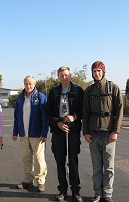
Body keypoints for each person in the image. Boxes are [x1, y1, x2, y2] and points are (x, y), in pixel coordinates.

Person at [83, 61, 123, 202]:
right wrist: (86, 132)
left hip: (108, 134)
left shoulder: (113, 88)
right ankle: (98, 193)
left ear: (103, 72)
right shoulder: (89, 91)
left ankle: (107, 194)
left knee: (109, 167)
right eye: (94, 71)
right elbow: (85, 113)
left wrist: (115, 131)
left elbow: (119, 111)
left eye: (99, 71)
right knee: (96, 167)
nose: (97, 73)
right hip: (93, 134)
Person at [45, 66, 84, 202]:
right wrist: (57, 123)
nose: (64, 77)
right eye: (61, 75)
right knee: (60, 162)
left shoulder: (78, 91)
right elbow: (48, 113)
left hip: (73, 130)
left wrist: (74, 116)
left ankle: (76, 192)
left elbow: (84, 110)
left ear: (70, 75)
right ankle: (62, 191)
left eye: (66, 75)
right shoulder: (54, 92)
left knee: (73, 161)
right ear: (58, 77)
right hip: (58, 131)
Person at [12, 75, 48, 192]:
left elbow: (45, 117)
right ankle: (28, 180)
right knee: (26, 158)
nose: (28, 86)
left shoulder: (41, 97)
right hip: (24, 135)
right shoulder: (20, 98)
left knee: (39, 159)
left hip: (37, 135)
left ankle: (40, 181)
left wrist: (44, 133)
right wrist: (15, 132)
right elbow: (16, 117)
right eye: (26, 84)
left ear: (34, 84)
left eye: (30, 84)